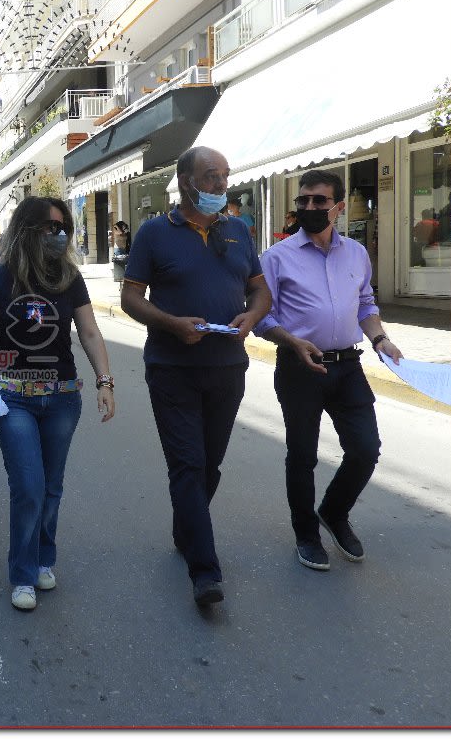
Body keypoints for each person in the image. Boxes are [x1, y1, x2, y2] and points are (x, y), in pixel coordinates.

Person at [120, 145, 272, 607]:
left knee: (209, 465)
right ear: (186, 181)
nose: (221, 184)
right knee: (187, 464)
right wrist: (172, 324)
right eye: (210, 176)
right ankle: (205, 573)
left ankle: (186, 527)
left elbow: (260, 291)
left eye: (225, 174)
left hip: (227, 368)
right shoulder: (153, 233)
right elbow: (131, 298)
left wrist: (251, 317)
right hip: (172, 369)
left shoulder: (237, 230)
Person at [0, 196, 115, 611]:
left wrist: (105, 381)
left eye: (63, 227)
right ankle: (23, 572)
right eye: (52, 227)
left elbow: (89, 332)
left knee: (51, 486)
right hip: (11, 396)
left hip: (63, 397)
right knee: (29, 486)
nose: (60, 234)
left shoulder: (70, 277)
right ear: (28, 230)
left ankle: (43, 557)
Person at [255, 168, 403, 571]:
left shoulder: (356, 254)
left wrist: (380, 339)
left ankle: (334, 512)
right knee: (302, 455)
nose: (310, 207)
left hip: (348, 366)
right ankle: (306, 535)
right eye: (303, 200)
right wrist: (292, 342)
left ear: (338, 207)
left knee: (365, 449)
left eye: (319, 201)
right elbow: (262, 317)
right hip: (299, 367)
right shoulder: (277, 257)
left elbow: (366, 304)